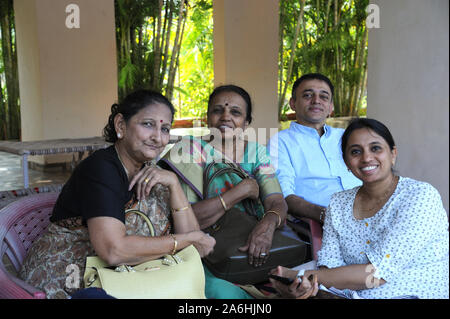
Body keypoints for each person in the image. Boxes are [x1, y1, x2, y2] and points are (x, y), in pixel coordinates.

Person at [19, 90, 215, 299]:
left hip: (128, 278)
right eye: (148, 124)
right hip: (71, 282)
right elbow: (114, 251)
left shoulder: (152, 172)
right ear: (121, 125)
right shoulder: (101, 169)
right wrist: (183, 240)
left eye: (165, 128)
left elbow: (196, 246)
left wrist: (174, 185)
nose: (158, 137)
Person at [270, 118, 449, 299]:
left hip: (414, 292)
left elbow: (376, 274)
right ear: (346, 162)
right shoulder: (338, 203)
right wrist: (308, 285)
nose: (366, 158)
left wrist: (297, 276)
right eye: (355, 151)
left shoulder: (419, 196)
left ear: (393, 154)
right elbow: (329, 264)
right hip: (348, 292)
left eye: (375, 148)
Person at [158, 85, 288, 299]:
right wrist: (240, 191)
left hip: (254, 245)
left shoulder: (256, 153)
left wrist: (267, 226)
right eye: (218, 110)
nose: (225, 117)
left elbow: (276, 201)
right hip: (204, 252)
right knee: (220, 292)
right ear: (207, 118)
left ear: (246, 123)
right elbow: (189, 219)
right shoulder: (188, 151)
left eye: (235, 112)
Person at [267, 73, 361, 225]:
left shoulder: (346, 136)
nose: (316, 101)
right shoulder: (280, 142)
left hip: (367, 213)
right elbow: (283, 195)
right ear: (293, 103)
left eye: (323, 97)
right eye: (307, 95)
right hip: (317, 222)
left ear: (331, 107)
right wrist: (329, 216)